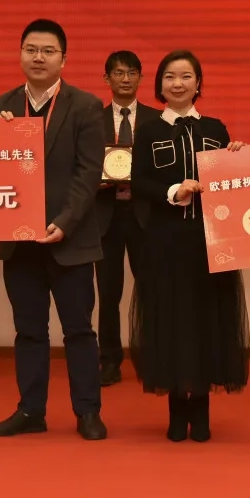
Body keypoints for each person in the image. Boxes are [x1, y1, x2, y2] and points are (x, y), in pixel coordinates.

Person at [0, 19, 108, 441]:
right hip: (19, 243)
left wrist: (65, 222)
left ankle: (87, 412)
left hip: (70, 241)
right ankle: (30, 411)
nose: (38, 57)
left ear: (63, 59)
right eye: (31, 49)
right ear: (20, 54)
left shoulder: (86, 106)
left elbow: (88, 174)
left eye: (48, 51)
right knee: (29, 331)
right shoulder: (3, 105)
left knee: (79, 330)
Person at [127, 50, 250, 443]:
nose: (177, 83)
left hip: (209, 244)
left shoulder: (215, 129)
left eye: (185, 76)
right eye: (169, 76)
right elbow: (139, 183)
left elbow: (233, 185)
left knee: (207, 323)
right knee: (171, 324)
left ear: (198, 83)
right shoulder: (148, 131)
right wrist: (173, 191)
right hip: (165, 244)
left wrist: (238, 159)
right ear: (159, 85)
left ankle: (203, 412)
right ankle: (177, 411)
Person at [94, 50, 159, 386]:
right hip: (105, 216)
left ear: (141, 78)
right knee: (108, 293)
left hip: (144, 216)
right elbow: (81, 163)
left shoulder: (157, 119)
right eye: (118, 73)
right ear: (107, 79)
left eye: (132, 72)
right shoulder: (93, 119)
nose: (125, 79)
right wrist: (95, 179)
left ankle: (150, 358)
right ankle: (109, 360)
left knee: (149, 290)